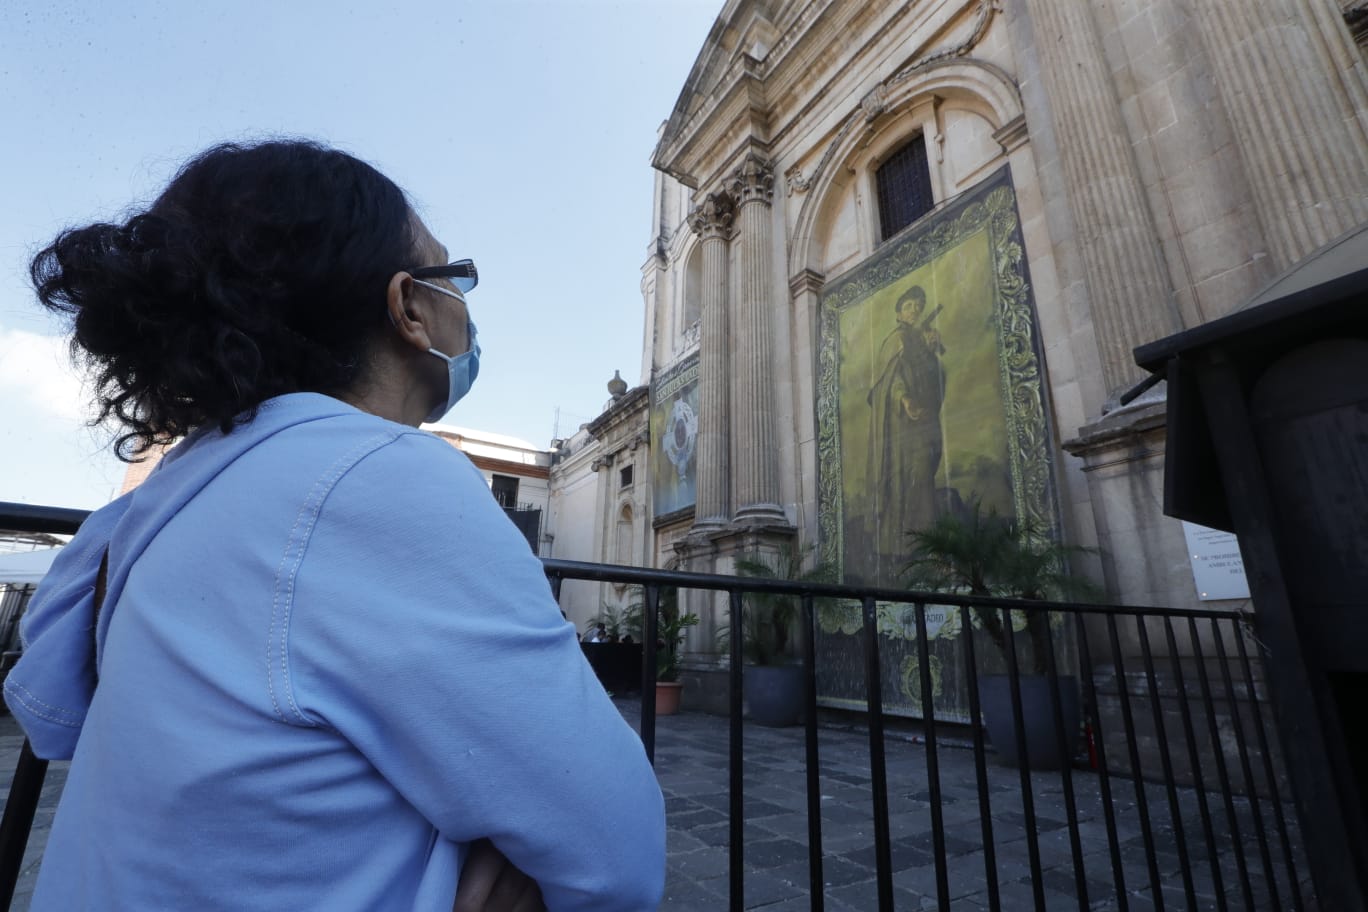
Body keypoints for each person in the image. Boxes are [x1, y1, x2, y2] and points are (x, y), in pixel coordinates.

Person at [5, 140, 665, 911]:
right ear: (409, 308)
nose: (466, 305)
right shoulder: (376, 477)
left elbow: (51, 717)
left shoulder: (158, 504)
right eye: (453, 275)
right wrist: (470, 850)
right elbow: (618, 851)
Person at [866, 284, 947, 585]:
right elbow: (889, 380)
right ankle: (901, 552)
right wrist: (904, 399)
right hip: (900, 428)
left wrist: (933, 351)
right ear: (899, 311)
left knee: (922, 480)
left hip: (923, 425)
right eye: (909, 305)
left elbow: (937, 382)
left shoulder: (920, 340)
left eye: (919, 306)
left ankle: (924, 550)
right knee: (904, 482)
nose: (914, 310)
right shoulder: (896, 340)